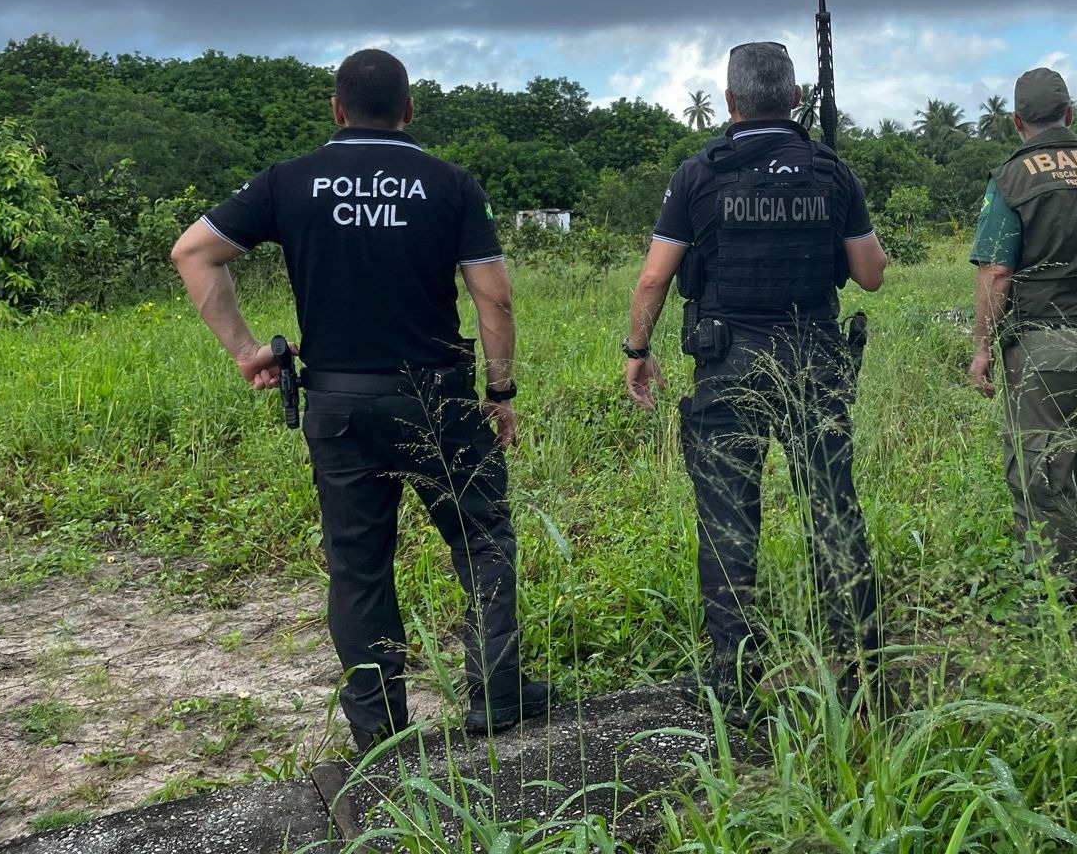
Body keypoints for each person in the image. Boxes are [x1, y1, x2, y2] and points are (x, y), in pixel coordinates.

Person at [170, 48, 547, 752]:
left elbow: (193, 251)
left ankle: (381, 733)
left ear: (336, 110)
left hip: (337, 403)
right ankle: (497, 696)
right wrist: (499, 389)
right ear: (409, 110)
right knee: (483, 540)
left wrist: (247, 349)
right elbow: (492, 294)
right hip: (435, 399)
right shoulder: (450, 184)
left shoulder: (289, 181)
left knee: (359, 564)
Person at [623, 41, 887, 713]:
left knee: (727, 523)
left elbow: (655, 277)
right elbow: (870, 274)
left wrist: (637, 350)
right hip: (813, 363)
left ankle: (733, 678)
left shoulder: (698, 174)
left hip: (726, 360)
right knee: (832, 508)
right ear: (795, 99)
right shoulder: (832, 171)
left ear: (732, 101)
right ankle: (858, 666)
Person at [968, 68, 1077, 601]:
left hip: (1045, 348)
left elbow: (997, 272)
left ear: (1017, 120)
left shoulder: (1013, 179)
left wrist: (981, 347)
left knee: (1043, 470)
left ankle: (1056, 598)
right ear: (1071, 113)